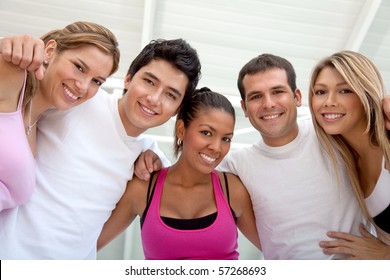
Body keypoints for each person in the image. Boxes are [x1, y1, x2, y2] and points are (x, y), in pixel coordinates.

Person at [0, 36, 201, 259]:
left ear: (177, 109)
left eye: (170, 95)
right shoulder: (79, 97)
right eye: (149, 82)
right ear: (128, 79)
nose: (154, 98)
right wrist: (10, 45)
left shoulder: (150, 160)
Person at [212, 54, 365, 259]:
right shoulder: (234, 166)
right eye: (256, 96)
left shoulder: (333, 133)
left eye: (277, 92)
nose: (268, 104)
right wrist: (153, 157)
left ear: (297, 97)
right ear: (245, 108)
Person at [97, 87, 261, 259]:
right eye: (206, 133)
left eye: (226, 138)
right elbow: (87, 243)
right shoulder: (143, 188)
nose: (217, 147)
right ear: (181, 129)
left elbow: (276, 249)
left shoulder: (233, 190)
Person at [0, 21, 120, 212]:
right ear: (49, 51)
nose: (83, 86)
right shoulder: (13, 76)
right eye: (79, 67)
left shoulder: (37, 126)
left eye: (96, 81)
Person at [309, 50, 390, 259]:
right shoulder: (349, 161)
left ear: (366, 94)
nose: (328, 101)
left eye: (344, 91)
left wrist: (384, 255)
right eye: (320, 92)